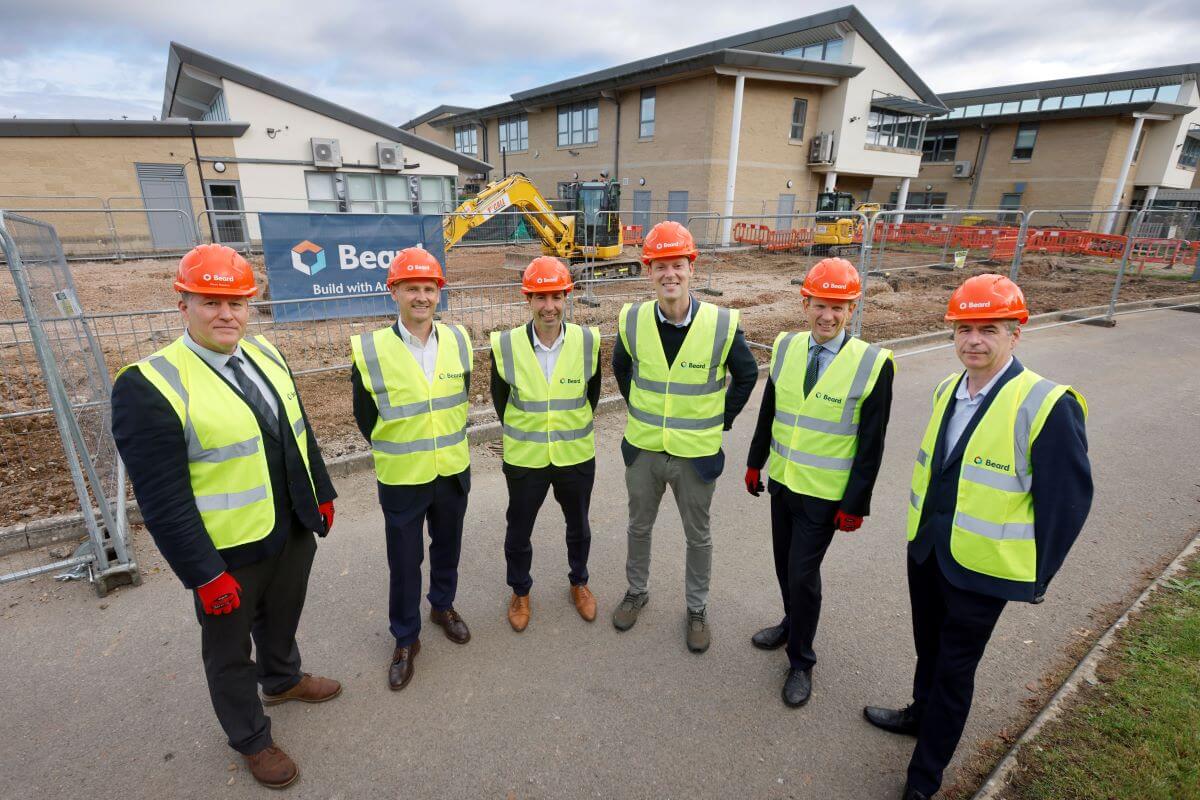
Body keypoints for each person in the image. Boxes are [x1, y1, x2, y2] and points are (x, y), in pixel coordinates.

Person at [112, 244, 339, 789]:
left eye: (237, 301)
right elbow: (163, 498)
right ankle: (251, 738)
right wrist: (204, 575)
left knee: (282, 617)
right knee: (229, 652)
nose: (226, 313)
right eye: (211, 300)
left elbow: (296, 430)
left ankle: (282, 679)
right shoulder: (150, 384)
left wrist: (321, 490)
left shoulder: (265, 354)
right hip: (226, 554)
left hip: (290, 526)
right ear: (183, 302)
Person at [863, 274, 1092, 800]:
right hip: (928, 551)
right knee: (929, 649)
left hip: (984, 570)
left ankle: (924, 780)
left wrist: (1037, 575)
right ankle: (919, 716)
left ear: (1017, 333)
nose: (973, 341)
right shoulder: (949, 389)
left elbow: (1068, 503)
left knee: (954, 669)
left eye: (988, 328)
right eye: (963, 329)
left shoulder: (1047, 403)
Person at [744, 257, 894, 707]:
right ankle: (791, 622)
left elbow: (872, 444)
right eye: (820, 305)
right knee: (782, 565)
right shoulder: (787, 346)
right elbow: (770, 408)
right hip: (784, 484)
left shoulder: (872, 364)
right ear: (804, 302)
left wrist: (856, 503)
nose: (827, 316)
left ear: (852, 310)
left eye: (839, 307)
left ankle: (802, 661)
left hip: (826, 497)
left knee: (802, 574)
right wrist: (756, 461)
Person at [610, 220, 758, 652]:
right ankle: (637, 591)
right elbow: (622, 369)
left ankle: (697, 608)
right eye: (660, 266)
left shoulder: (721, 323)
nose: (669, 274)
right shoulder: (633, 319)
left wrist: (720, 420)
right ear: (648, 270)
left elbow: (746, 376)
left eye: (677, 264)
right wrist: (640, 409)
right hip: (644, 451)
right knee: (639, 527)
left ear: (692, 268)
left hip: (696, 454)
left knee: (699, 536)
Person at [350, 246, 473, 691]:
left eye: (428, 288)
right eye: (411, 288)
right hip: (403, 477)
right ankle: (405, 638)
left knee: (447, 548)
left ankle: (443, 606)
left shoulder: (459, 340)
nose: (421, 296)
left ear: (438, 294)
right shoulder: (371, 350)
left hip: (453, 470)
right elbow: (366, 417)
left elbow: (461, 398)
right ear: (395, 293)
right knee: (404, 562)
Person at [489, 257, 602, 631]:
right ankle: (520, 591)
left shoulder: (588, 342)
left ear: (567, 296)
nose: (549, 306)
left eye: (556, 296)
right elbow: (500, 401)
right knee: (518, 530)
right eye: (540, 297)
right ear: (528, 299)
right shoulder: (505, 345)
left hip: (574, 456)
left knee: (578, 526)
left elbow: (593, 395)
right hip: (526, 458)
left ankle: (579, 583)